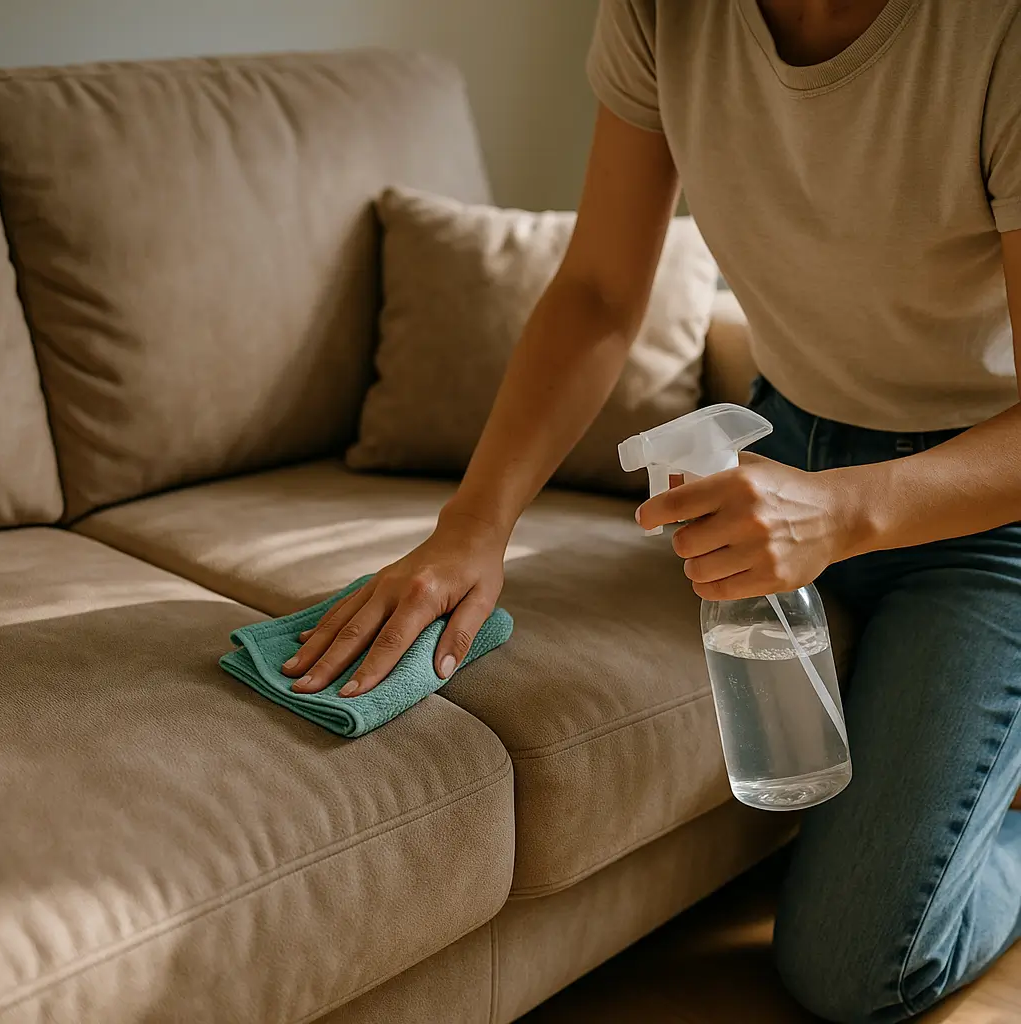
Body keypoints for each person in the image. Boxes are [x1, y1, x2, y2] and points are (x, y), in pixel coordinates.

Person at [282, 2, 1021, 1020]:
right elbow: (594, 291)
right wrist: (472, 528)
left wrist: (843, 513)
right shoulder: (660, 11)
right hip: (779, 438)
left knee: (859, 972)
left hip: (980, 513)